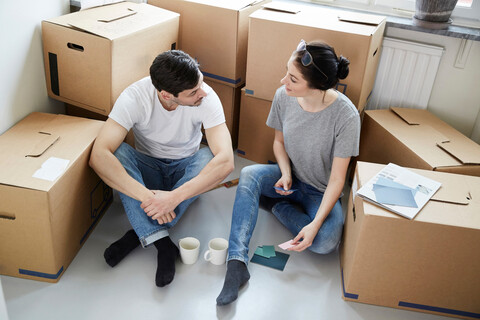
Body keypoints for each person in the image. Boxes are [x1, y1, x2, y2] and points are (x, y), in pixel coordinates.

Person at [216, 39, 360, 305]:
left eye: (293, 78)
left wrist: (315, 224)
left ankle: (276, 206)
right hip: (288, 179)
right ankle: (236, 263)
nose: (284, 81)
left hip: (320, 189)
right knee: (249, 175)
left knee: (326, 241)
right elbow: (278, 142)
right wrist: (284, 172)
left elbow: (338, 179)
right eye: (286, 72)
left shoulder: (346, 117)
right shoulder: (285, 96)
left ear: (316, 85)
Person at [89, 50, 234, 287]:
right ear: (166, 94)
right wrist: (148, 197)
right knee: (117, 152)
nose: (203, 92)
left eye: (201, 83)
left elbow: (227, 160)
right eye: (193, 92)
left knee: (209, 156)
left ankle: (139, 234)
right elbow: (98, 156)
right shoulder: (134, 97)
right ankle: (163, 244)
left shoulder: (207, 98)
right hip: (148, 169)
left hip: (186, 168)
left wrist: (174, 197)